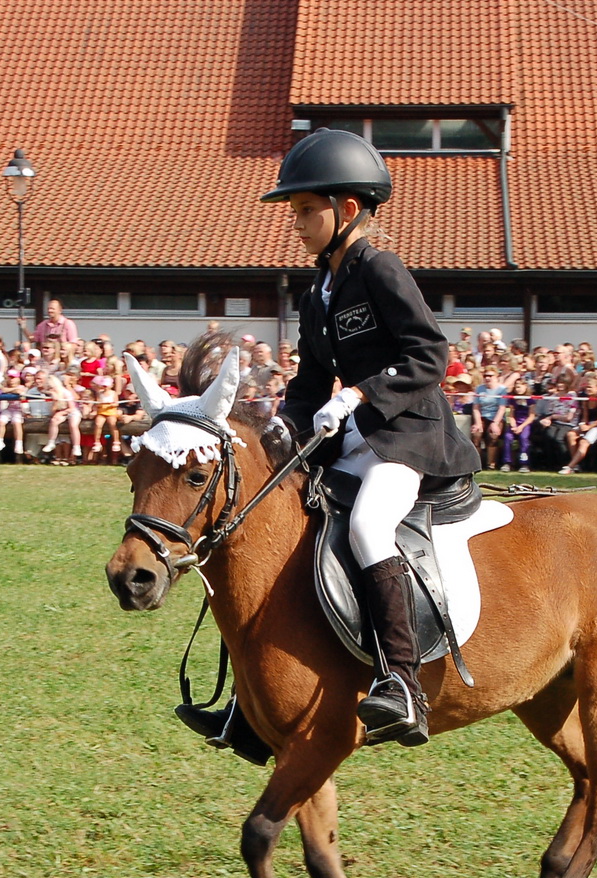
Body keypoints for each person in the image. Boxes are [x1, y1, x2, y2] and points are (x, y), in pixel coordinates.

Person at [184, 128, 480, 751]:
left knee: (369, 526)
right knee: (273, 525)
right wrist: (284, 427)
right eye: (294, 211)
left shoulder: (380, 270)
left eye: (305, 210)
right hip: (352, 440)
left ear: (347, 208)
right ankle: (253, 700)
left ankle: (402, 684)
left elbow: (429, 355)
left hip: (409, 438)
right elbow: (310, 384)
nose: (296, 223)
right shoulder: (317, 292)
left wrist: (361, 394)